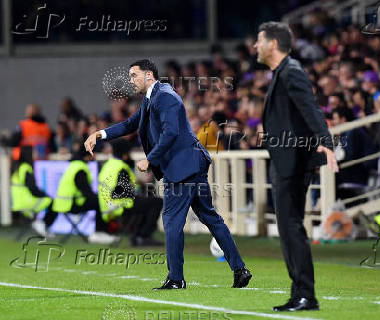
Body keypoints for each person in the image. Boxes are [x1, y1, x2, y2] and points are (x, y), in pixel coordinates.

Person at [84, 59, 251, 290]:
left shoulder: (164, 96)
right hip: (191, 165)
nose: (131, 80)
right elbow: (129, 124)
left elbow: (171, 132)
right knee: (210, 217)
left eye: (134, 75)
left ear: (149, 74)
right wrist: (99, 134)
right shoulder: (153, 98)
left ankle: (176, 278)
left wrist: (150, 159)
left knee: (172, 222)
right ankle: (240, 270)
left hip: (182, 168)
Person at [254, 21, 338, 312]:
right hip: (285, 158)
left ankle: (305, 294)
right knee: (288, 227)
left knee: (291, 227)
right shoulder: (283, 72)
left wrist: (325, 141)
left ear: (272, 44)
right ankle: (299, 292)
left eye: (259, 41)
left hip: (293, 161)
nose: (255, 46)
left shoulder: (291, 71)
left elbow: (311, 108)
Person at [45, 144, 117, 244]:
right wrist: (106, 201)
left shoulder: (74, 165)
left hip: (63, 203)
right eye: (94, 153)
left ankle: (101, 232)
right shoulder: (80, 169)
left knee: (98, 200)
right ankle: (99, 232)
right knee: (99, 201)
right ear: (89, 155)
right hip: (71, 204)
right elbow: (86, 192)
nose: (95, 156)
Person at [99, 139, 163, 246]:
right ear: (125, 154)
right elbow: (124, 192)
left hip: (106, 207)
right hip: (119, 206)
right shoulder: (121, 168)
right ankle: (143, 236)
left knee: (146, 201)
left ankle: (138, 235)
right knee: (157, 202)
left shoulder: (108, 165)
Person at [10, 146, 52, 236]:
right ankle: (42, 225)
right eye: (34, 152)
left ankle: (38, 223)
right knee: (51, 201)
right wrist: (45, 195)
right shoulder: (26, 168)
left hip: (17, 202)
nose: (36, 154)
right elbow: (32, 189)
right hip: (26, 201)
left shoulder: (18, 167)